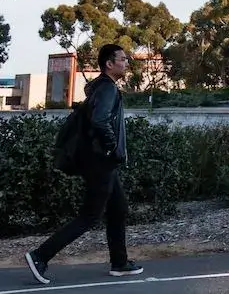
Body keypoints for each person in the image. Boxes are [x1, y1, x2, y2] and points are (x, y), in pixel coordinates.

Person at [24, 44, 144, 285]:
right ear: (109, 64)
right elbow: (100, 121)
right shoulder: (107, 88)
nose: (126, 63)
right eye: (122, 59)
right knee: (89, 216)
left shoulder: (100, 87)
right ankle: (40, 256)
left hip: (100, 160)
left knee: (118, 208)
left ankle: (119, 262)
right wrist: (111, 147)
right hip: (102, 161)